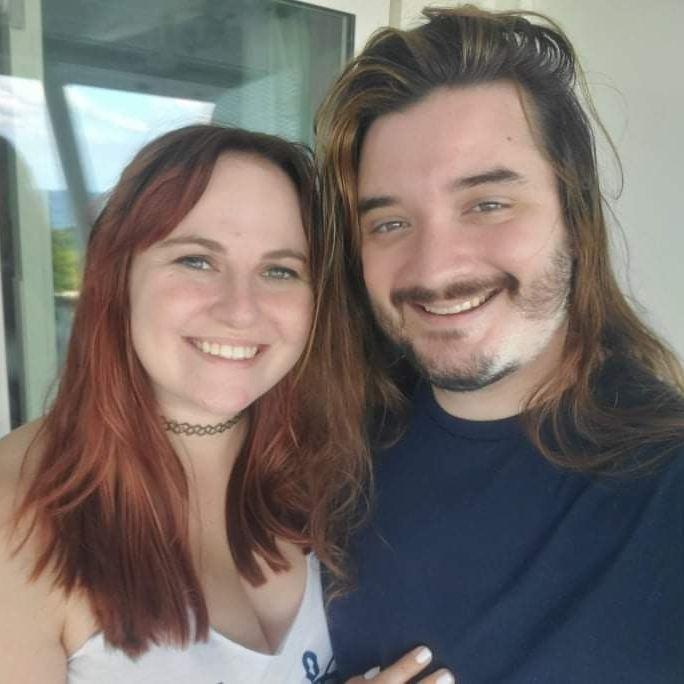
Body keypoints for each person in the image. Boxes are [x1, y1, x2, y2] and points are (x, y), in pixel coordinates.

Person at [0, 124, 454, 684]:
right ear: (117, 277)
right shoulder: (17, 518)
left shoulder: (333, 460)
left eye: (280, 270)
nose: (241, 310)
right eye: (196, 260)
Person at [315, 6, 684, 683]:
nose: (434, 269)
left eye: (487, 204)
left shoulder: (667, 489)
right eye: (390, 222)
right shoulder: (326, 451)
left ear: (575, 215)